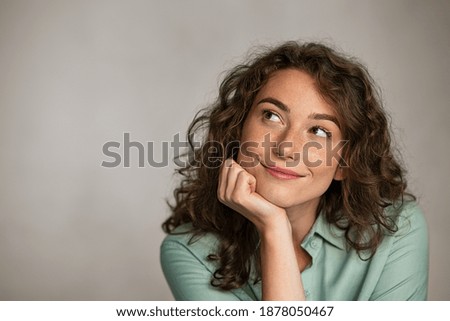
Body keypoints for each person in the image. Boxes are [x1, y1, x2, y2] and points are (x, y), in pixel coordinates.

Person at [160, 41, 429, 300]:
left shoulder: (399, 228)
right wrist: (274, 227)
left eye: (319, 131)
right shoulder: (188, 251)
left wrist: (273, 227)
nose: (287, 147)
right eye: (272, 116)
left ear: (345, 164)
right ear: (237, 131)